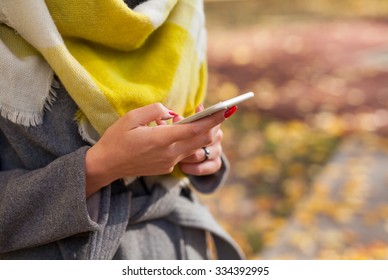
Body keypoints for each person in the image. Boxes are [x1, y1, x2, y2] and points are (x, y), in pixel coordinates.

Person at [0, 0, 244, 259]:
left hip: (178, 248)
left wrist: (201, 147)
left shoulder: (184, 6)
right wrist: (101, 167)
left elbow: (181, 115)